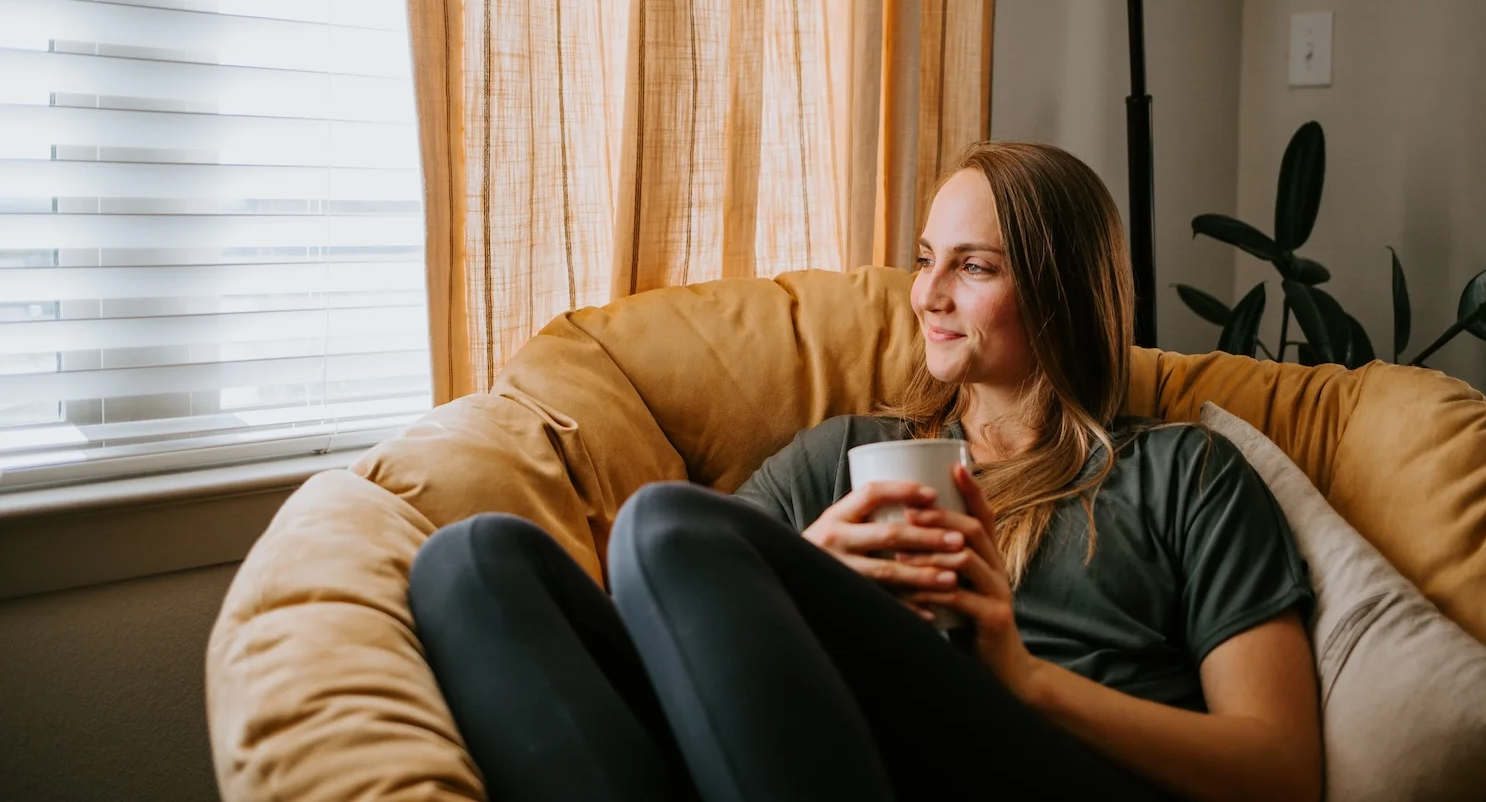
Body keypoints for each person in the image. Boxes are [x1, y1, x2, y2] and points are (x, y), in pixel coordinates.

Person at [408, 142, 1323, 802]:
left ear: (1061, 289)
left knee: (666, 525)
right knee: (473, 563)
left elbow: (1281, 771)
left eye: (973, 266)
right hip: (827, 760)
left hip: (1042, 761)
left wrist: (1021, 677)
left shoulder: (1183, 474)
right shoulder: (841, 456)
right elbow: (660, 646)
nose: (928, 293)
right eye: (927, 261)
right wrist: (805, 573)